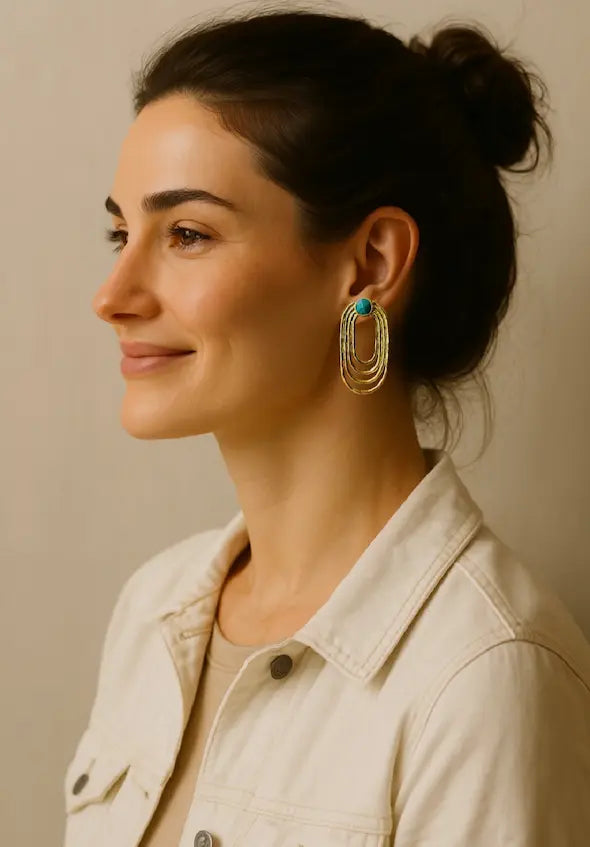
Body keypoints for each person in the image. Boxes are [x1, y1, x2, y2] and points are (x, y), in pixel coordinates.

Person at [63, 6, 590, 847]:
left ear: (372, 263)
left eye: (187, 234)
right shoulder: (154, 611)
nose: (113, 293)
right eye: (121, 232)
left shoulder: (484, 677)